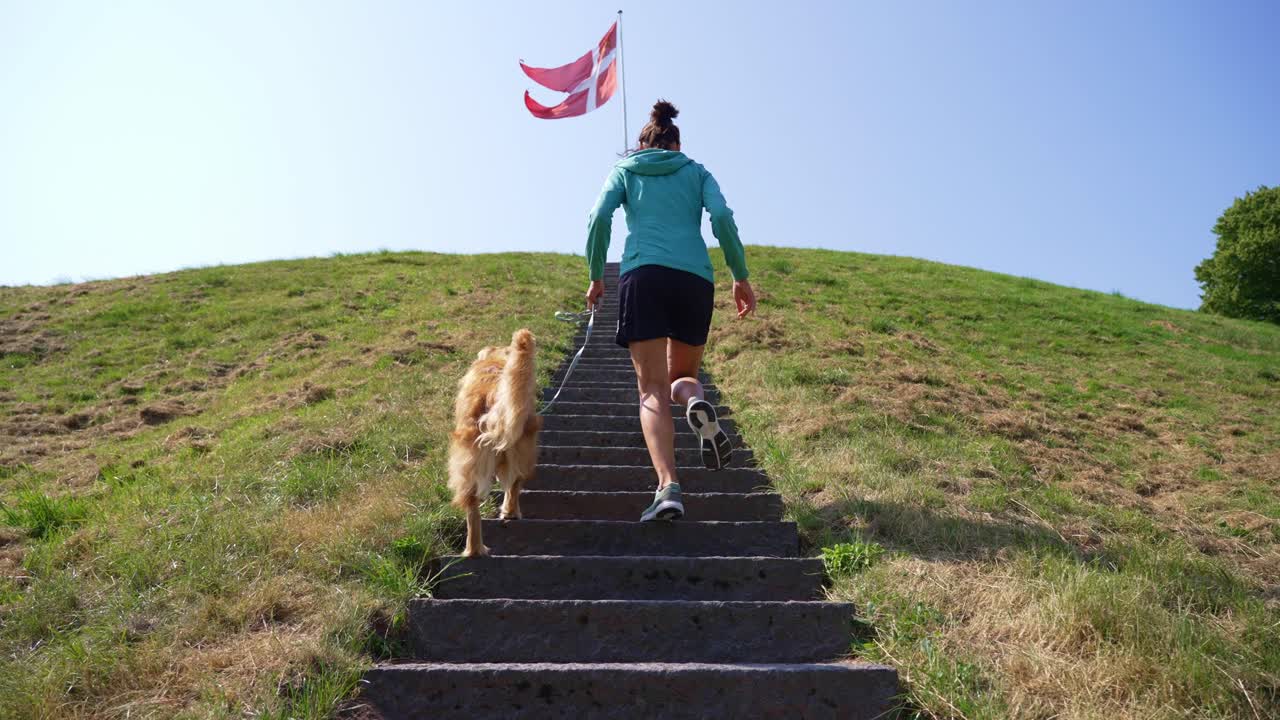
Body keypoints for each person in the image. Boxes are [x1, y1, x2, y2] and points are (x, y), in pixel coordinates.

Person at [584, 99, 756, 522]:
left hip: (644, 276)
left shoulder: (626, 170)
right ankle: (697, 402)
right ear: (676, 142)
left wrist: (595, 275)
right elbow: (721, 216)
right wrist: (739, 275)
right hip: (693, 280)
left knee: (651, 392)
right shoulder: (696, 171)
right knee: (683, 378)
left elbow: (599, 216)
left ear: (642, 144)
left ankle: (667, 488)